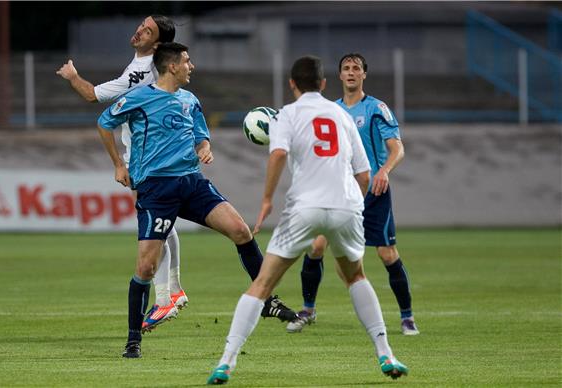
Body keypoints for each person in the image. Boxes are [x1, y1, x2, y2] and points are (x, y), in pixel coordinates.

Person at [208, 56, 408, 385]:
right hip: (345, 206)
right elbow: (363, 173)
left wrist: (268, 199)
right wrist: (353, 206)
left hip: (305, 207)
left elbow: (278, 154)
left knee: (262, 285)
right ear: (324, 83)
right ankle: (386, 352)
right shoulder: (341, 115)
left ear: (292, 84)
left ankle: (226, 362)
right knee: (356, 277)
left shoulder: (288, 113)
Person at [96, 42, 296, 359]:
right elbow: (104, 122)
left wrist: (204, 148)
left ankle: (267, 300)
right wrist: (119, 164)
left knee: (241, 231)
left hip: (192, 183)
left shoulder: (190, 100)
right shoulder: (138, 98)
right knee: (146, 267)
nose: (192, 66)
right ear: (172, 66)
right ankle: (133, 340)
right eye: (187, 61)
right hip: (156, 190)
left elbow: (201, 136)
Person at [56, 15, 187, 333]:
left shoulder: (142, 72)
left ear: (156, 44)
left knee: (153, 226)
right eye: (142, 24)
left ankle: (167, 297)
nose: (140, 30)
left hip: (147, 156)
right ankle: (174, 290)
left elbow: (92, 96)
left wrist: (73, 76)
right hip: (157, 153)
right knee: (162, 223)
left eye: (148, 30)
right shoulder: (145, 66)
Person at [286, 53, 419, 336]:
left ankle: (407, 317)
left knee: (386, 254)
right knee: (316, 247)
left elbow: (397, 148)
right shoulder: (331, 110)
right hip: (338, 194)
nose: (350, 72)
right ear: (339, 76)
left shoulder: (376, 108)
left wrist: (383, 171)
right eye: (345, 68)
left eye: (356, 68)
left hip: (373, 192)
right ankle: (308, 310)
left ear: (363, 75)